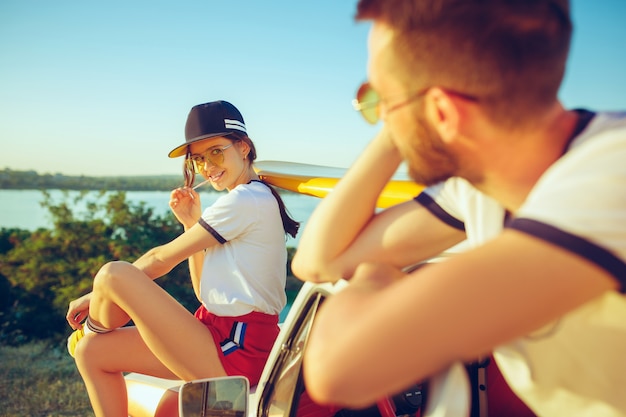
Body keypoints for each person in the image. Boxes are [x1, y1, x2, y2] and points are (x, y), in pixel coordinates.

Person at [291, 1, 626, 416]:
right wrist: (407, 110)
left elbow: (338, 368)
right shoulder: (481, 187)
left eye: (379, 99)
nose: (379, 120)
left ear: (444, 112)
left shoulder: (612, 174)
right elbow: (318, 260)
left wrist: (377, 276)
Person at [65, 100, 299, 417]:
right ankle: (93, 334)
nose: (207, 166)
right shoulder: (243, 201)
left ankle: (93, 327)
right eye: (199, 159)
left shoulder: (248, 199)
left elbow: (161, 259)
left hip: (239, 349)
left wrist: (98, 295)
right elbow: (205, 293)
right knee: (92, 353)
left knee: (112, 276)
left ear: (243, 147)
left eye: (217, 152)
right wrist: (190, 223)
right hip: (215, 335)